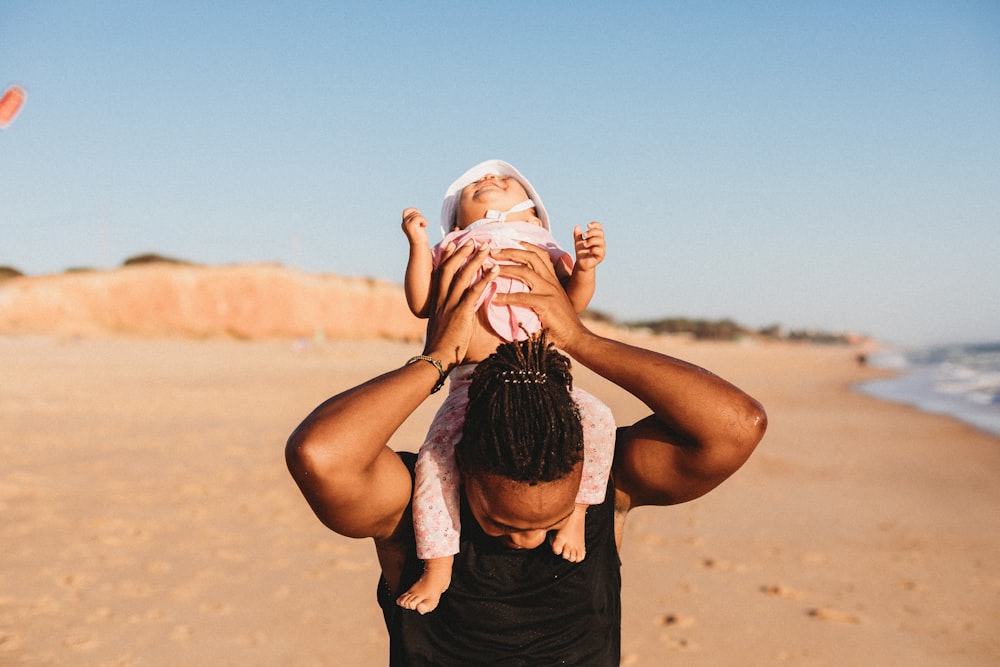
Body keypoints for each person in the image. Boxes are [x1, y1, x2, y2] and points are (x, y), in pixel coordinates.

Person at [286, 240, 767, 666]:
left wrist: (581, 339)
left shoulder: (605, 486)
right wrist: (437, 359)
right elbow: (320, 455)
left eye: (553, 519)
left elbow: (736, 427)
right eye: (504, 522)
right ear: (464, 467)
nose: (531, 539)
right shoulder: (409, 507)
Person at [397, 160, 615, 614]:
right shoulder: (452, 248)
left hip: (543, 379)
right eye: (475, 186)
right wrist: (419, 244)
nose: (489, 179)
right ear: (456, 220)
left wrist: (587, 268)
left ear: (534, 215)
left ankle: (575, 513)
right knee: (435, 461)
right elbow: (421, 302)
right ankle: (438, 566)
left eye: (504, 179)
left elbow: (570, 307)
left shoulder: (545, 246)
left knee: (598, 418)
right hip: (471, 382)